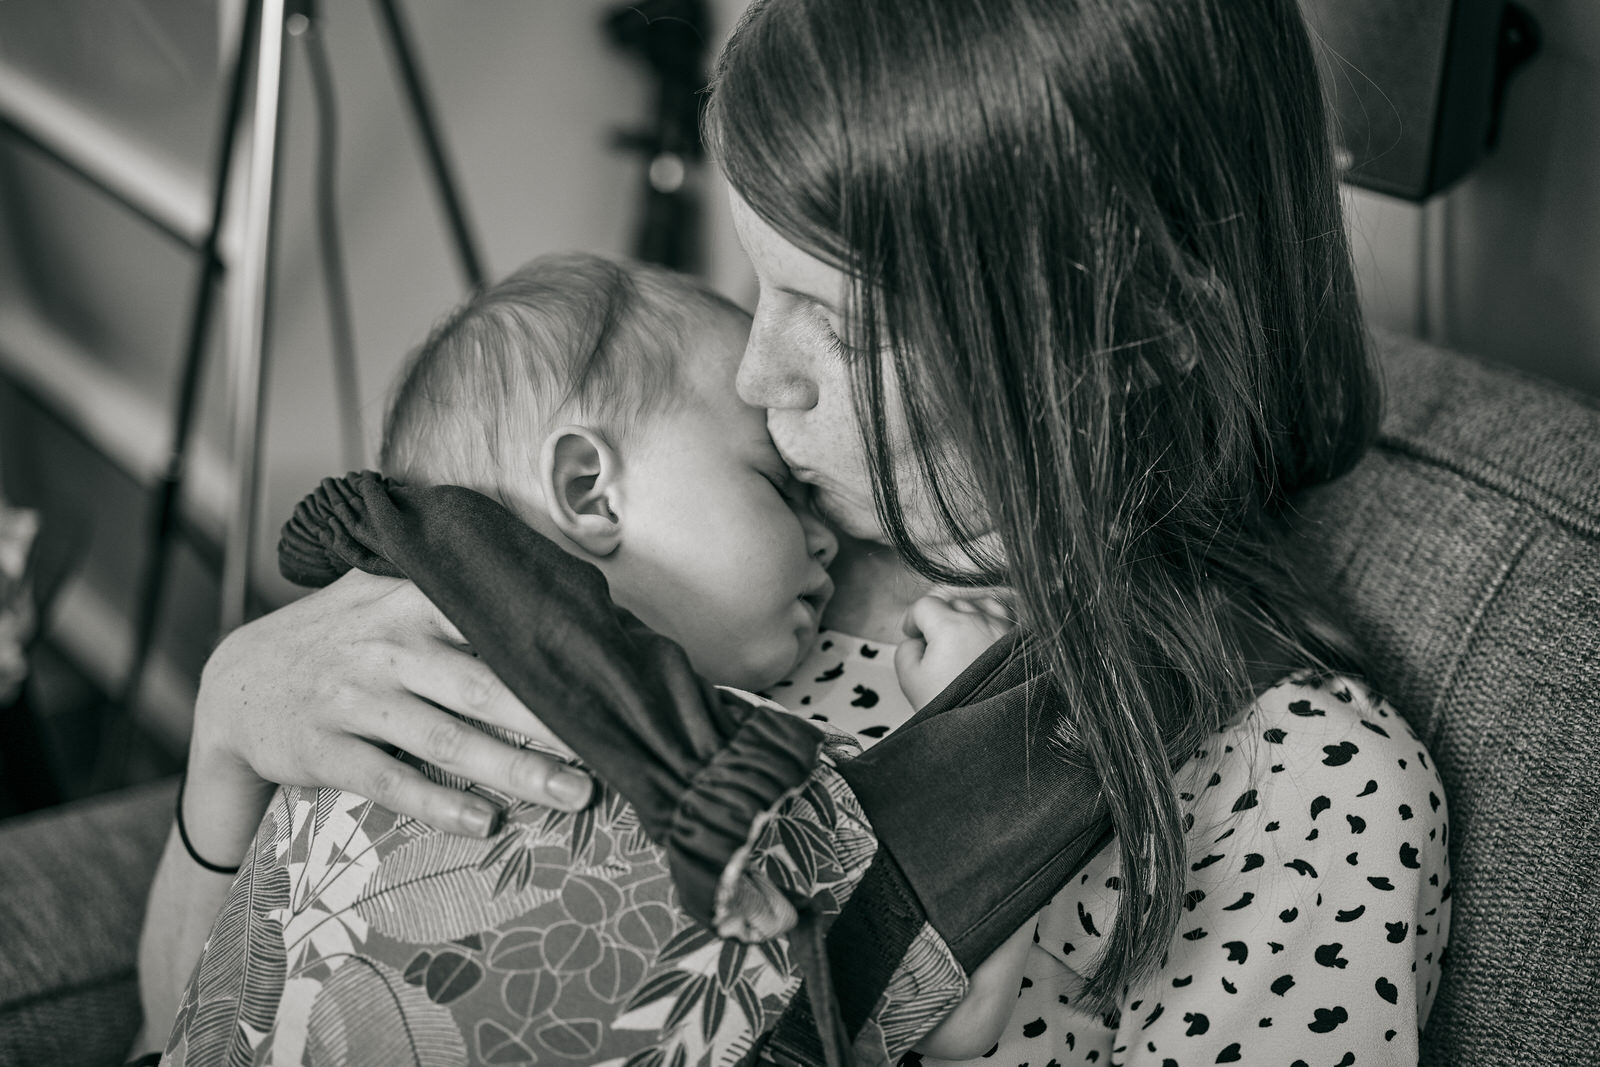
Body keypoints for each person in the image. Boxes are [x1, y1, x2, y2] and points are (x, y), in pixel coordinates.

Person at [138, 0, 1452, 1064]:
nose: (759, 378)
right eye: (756, 281)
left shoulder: (1302, 789)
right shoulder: (672, 561)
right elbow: (188, 1021)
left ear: (1127, 336)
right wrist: (228, 740)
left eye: (844, 318)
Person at [155, 250, 1022, 1064]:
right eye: (776, 486)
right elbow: (960, 1019)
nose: (823, 539)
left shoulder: (386, 675)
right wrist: (985, 721)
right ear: (589, 491)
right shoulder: (735, 771)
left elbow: (198, 1010)